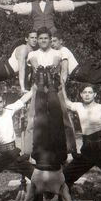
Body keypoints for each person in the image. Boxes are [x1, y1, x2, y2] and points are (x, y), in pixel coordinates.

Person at [19, 68, 77, 201]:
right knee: (41, 117)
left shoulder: (60, 186)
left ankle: (49, 83)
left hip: (57, 153)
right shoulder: (39, 186)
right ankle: (43, 81)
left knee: (55, 118)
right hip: (41, 153)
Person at [23, 27, 77, 156]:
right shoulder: (32, 54)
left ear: (50, 39)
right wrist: (40, 69)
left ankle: (72, 148)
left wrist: (52, 69)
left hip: (54, 86)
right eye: (40, 38)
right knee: (32, 118)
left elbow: (58, 63)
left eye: (46, 38)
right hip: (39, 86)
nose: (43, 40)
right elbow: (34, 63)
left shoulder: (58, 53)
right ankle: (27, 152)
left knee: (64, 117)